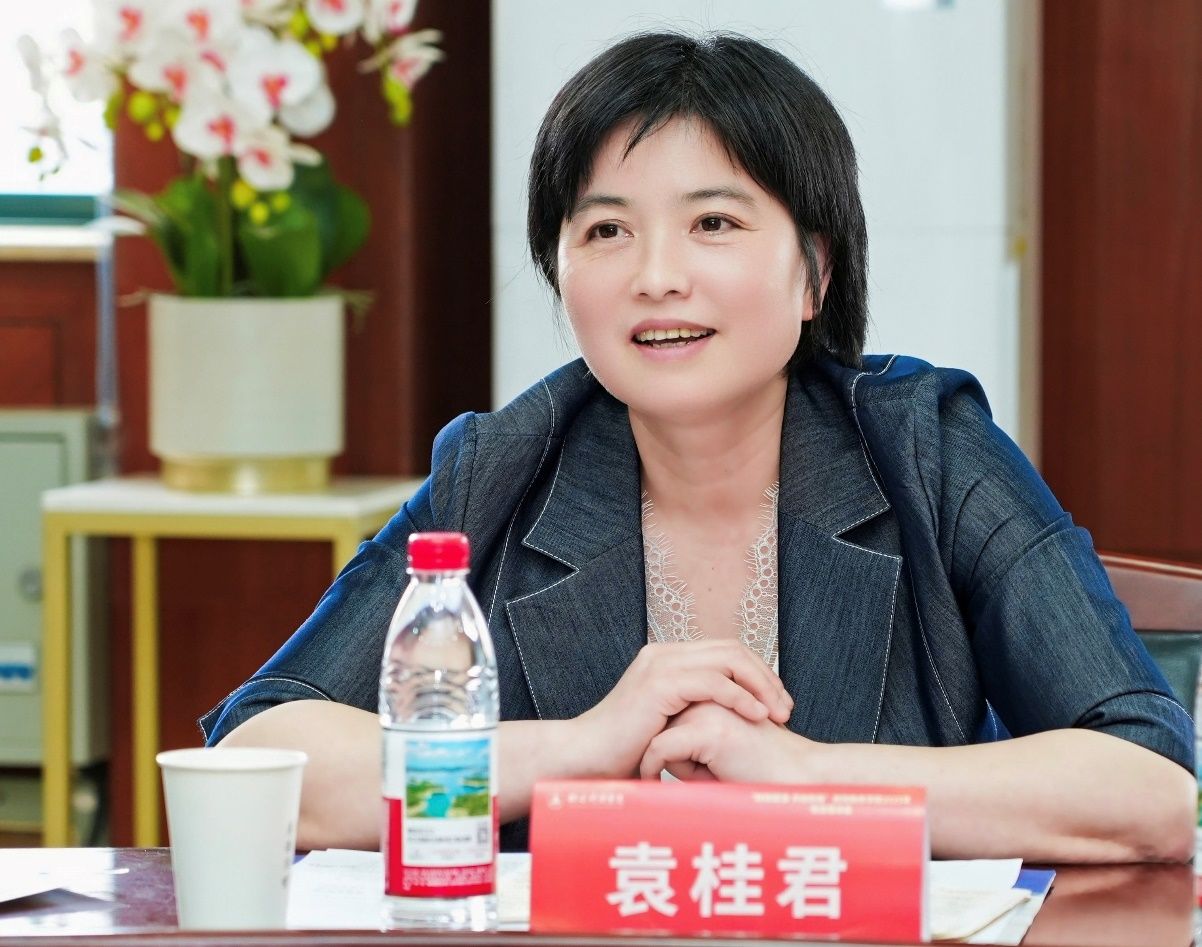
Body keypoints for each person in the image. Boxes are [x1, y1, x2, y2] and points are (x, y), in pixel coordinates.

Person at [201, 31, 1195, 862]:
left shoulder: (927, 449)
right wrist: (578, 747)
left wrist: (806, 777)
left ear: (814, 273)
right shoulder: (500, 468)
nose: (655, 276)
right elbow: (256, 759)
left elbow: (1150, 784)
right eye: (605, 232)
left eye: (712, 222)